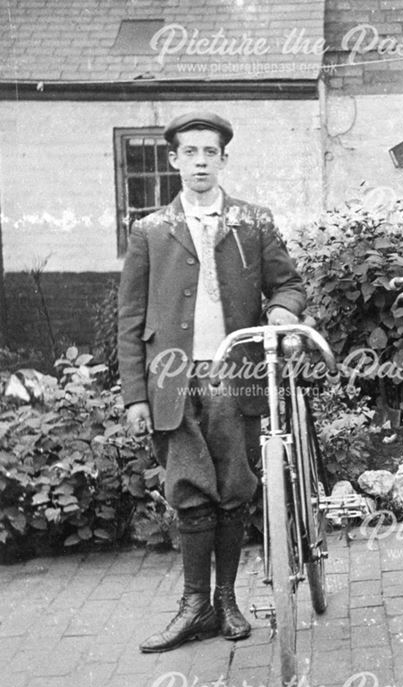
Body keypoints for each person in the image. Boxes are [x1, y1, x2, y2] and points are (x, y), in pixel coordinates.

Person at [118, 111, 306, 652]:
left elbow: (288, 284)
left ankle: (226, 600)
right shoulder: (150, 231)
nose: (201, 162)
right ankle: (194, 604)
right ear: (174, 160)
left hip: (235, 373)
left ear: (223, 159)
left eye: (210, 152)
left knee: (234, 489)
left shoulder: (254, 221)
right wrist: (135, 395)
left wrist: (282, 312)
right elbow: (131, 320)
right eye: (190, 152)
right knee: (189, 492)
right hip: (173, 380)